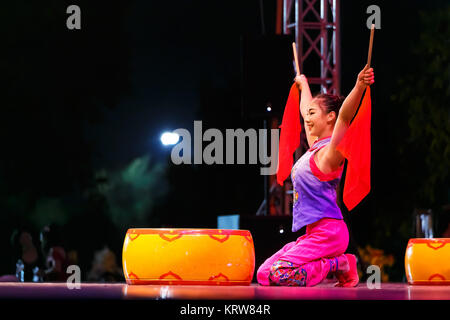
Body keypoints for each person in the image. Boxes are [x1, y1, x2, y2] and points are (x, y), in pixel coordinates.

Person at [257, 64, 374, 287]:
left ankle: (340, 264)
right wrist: (303, 85)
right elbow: (305, 111)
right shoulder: (315, 148)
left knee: (280, 273)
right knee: (264, 274)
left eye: (313, 114)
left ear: (330, 117)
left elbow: (346, 117)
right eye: (307, 114)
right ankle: (337, 263)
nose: (307, 118)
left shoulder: (331, 153)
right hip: (314, 234)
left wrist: (359, 86)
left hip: (329, 233)